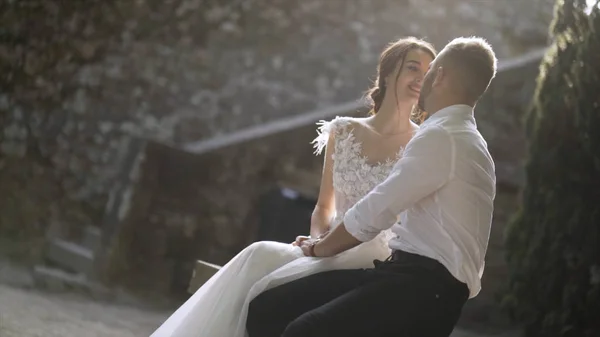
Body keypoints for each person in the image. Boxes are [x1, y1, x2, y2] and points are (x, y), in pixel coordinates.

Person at [150, 37, 436, 337]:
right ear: (389, 72)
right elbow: (324, 206)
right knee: (257, 254)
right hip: (327, 245)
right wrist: (316, 242)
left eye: (427, 73)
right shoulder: (343, 130)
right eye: (412, 67)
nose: (419, 78)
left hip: (374, 256)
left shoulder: (424, 143)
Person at [246, 36, 498, 337]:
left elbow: (378, 209)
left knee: (305, 331)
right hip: (406, 277)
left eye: (430, 71)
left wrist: (319, 247)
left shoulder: (443, 137)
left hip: (424, 290)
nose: (423, 78)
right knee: (269, 308)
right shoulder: (464, 138)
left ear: (440, 75)